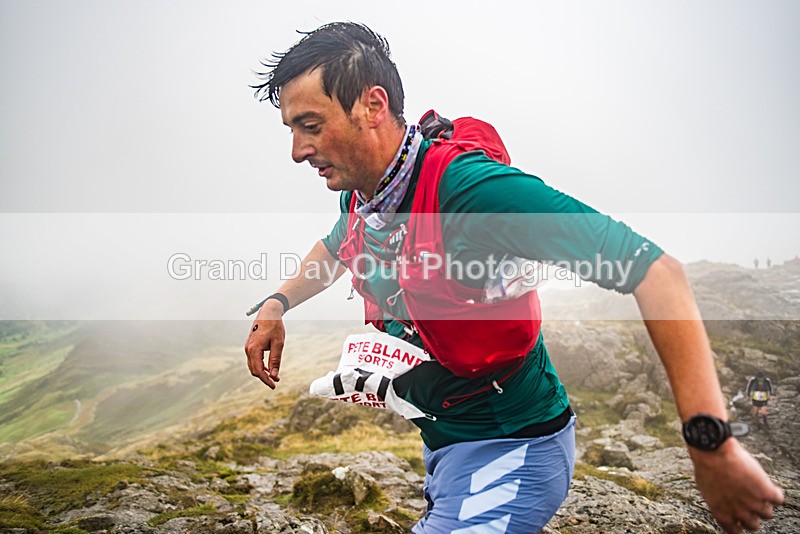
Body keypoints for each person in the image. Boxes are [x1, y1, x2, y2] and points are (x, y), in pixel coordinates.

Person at [244, 22, 783, 533]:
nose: (297, 151)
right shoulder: (368, 193)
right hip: (447, 450)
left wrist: (711, 446)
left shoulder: (474, 195)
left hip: (513, 449)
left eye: (310, 126)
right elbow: (338, 244)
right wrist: (277, 303)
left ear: (373, 105)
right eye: (292, 130)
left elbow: (657, 274)